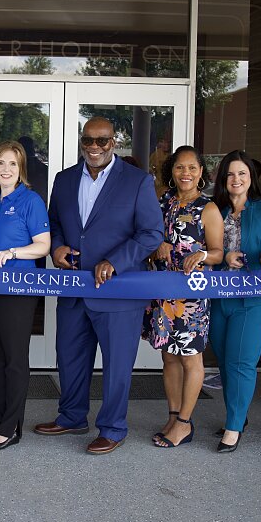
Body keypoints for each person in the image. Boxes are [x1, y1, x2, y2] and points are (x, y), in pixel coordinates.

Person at [34, 117, 164, 454]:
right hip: (75, 288)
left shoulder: (137, 181)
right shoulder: (63, 180)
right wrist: (58, 246)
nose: (94, 147)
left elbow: (151, 233)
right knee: (70, 358)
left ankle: (113, 427)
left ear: (114, 142)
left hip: (117, 292)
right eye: (88, 140)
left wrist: (117, 261)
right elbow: (55, 223)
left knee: (117, 365)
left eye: (102, 141)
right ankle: (72, 416)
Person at [0, 140, 51, 451]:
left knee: (15, 360)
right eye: (1, 163)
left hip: (18, 289)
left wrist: (14, 251)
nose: (6, 169)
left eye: (13, 164)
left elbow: (43, 245)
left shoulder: (30, 201)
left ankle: (11, 427)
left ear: (21, 170)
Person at [208, 150, 261, 453]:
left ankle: (233, 427)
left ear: (251, 178)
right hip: (218, 297)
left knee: (241, 362)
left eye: (241, 173)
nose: (236, 179)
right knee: (226, 361)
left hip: (254, 299)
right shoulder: (214, 209)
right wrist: (224, 257)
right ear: (223, 179)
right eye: (230, 174)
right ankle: (237, 417)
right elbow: (206, 249)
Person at [143, 145, 224, 448]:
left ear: (201, 172)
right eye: (179, 167)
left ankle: (185, 424)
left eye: (192, 167)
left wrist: (202, 254)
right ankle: (173, 415)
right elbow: (148, 238)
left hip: (191, 298)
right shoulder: (162, 202)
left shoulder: (209, 208)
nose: (185, 173)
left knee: (191, 359)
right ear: (172, 171)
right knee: (169, 358)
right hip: (164, 293)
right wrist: (157, 245)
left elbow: (218, 252)